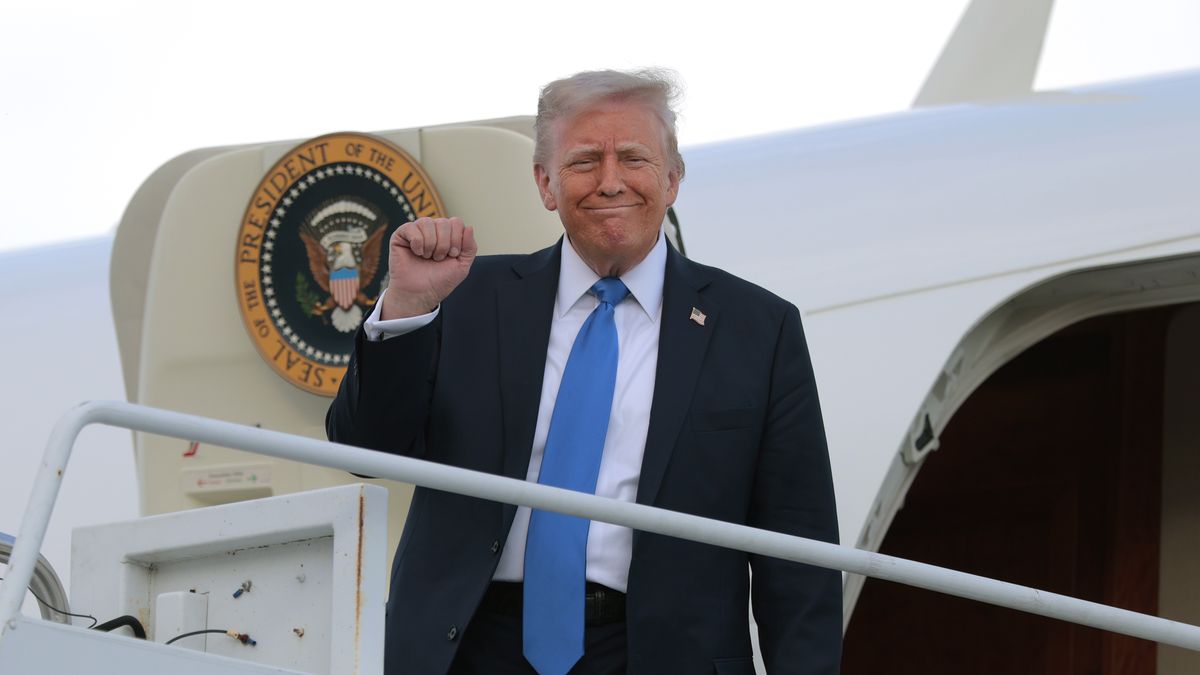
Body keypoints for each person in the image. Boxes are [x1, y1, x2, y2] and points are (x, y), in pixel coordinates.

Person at [327, 69, 841, 675]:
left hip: (658, 655)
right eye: (583, 161)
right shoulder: (466, 297)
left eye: (633, 158)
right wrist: (409, 308)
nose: (610, 180)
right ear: (545, 183)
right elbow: (366, 448)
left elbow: (799, 555)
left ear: (672, 178)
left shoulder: (759, 329)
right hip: (468, 649)